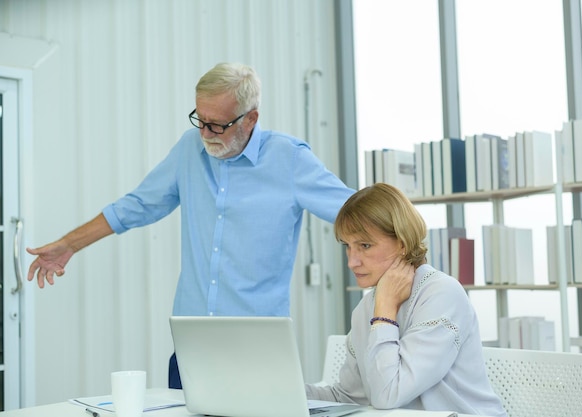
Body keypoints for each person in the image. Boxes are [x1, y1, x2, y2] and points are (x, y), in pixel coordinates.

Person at [26, 62, 355, 388]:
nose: (205, 133)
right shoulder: (189, 148)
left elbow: (359, 211)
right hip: (191, 347)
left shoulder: (289, 159)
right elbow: (137, 206)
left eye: (217, 125)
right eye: (200, 119)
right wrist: (70, 244)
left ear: (251, 118)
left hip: (257, 350)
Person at [306, 183, 506, 417]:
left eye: (365, 245)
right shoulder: (365, 309)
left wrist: (385, 313)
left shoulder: (442, 294)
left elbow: (388, 394)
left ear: (402, 243)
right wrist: (283, 389)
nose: (352, 262)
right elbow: (350, 397)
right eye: (347, 247)